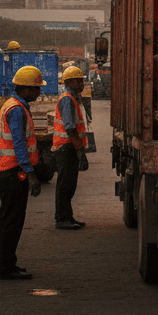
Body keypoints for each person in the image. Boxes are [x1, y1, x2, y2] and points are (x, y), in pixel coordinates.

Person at [0, 65, 45, 280]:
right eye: (35, 89)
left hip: (7, 171)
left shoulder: (13, 105)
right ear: (24, 89)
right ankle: (6, 267)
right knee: (12, 221)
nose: (38, 93)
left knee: (9, 219)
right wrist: (30, 174)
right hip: (13, 172)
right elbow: (19, 143)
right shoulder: (16, 109)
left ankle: (6, 264)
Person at [53, 65, 90, 229]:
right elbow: (69, 127)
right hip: (66, 148)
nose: (82, 83)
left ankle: (68, 217)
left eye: (82, 80)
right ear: (70, 82)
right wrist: (79, 150)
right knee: (65, 185)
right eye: (78, 81)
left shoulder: (73, 98)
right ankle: (62, 219)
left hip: (69, 148)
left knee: (69, 185)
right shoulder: (67, 99)